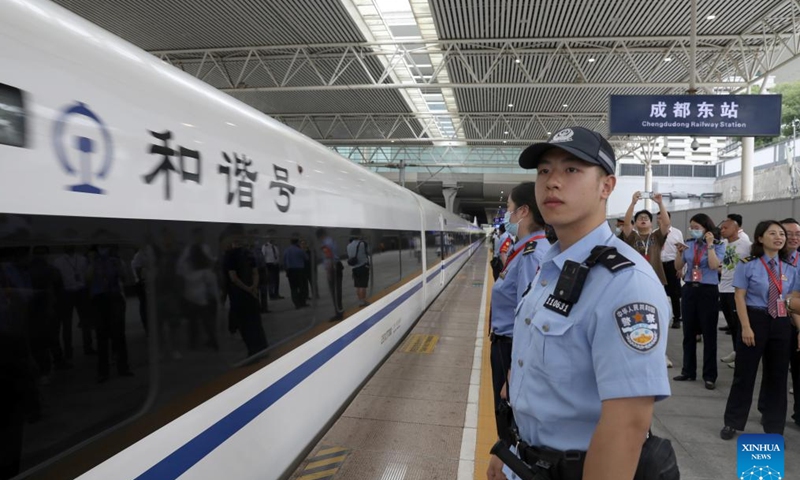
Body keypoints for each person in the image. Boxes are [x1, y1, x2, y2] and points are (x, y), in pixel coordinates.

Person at [487, 127, 672, 480]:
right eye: (544, 171)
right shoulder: (552, 267)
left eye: (571, 170)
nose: (552, 182)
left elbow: (628, 425)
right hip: (525, 462)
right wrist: (509, 447)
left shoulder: (626, 283)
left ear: (607, 186)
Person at [721, 220, 800, 440]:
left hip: (781, 322)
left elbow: (792, 300)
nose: (779, 237)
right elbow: (739, 296)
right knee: (744, 375)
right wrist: (745, 327)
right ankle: (733, 422)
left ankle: (775, 429)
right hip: (755, 318)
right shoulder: (748, 264)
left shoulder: (791, 268)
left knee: (778, 377)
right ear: (759, 238)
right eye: (773, 233)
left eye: (781, 234)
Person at [488, 182, 550, 440]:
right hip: (507, 347)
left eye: (509, 209)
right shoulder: (522, 250)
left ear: (523, 212)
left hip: (510, 349)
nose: (508, 215)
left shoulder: (531, 255)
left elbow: (530, 317)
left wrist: (514, 371)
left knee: (509, 424)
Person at [673, 213, 724, 390]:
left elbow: (713, 266)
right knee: (689, 333)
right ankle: (688, 370)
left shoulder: (718, 245)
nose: (693, 230)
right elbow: (678, 267)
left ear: (706, 229)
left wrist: (710, 245)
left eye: (697, 228)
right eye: (692, 227)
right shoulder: (689, 244)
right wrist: (679, 253)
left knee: (709, 334)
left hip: (707, 290)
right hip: (689, 289)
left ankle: (710, 375)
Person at [717, 218, 752, 366]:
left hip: (736, 290)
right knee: (731, 324)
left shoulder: (746, 245)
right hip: (723, 287)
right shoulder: (722, 245)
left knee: (739, 324)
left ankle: (742, 356)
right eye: (721, 228)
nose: (722, 230)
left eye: (725, 228)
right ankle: (735, 351)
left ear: (736, 229)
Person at [620, 192, 671, 286]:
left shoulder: (656, 236)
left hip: (655, 276)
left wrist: (660, 203)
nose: (643, 219)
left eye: (646, 218)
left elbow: (666, 223)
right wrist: (633, 203)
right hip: (636, 276)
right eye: (640, 218)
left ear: (651, 223)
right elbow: (626, 224)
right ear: (635, 223)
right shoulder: (632, 236)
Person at [659, 213, 684, 329]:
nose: (660, 220)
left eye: (662, 217)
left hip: (672, 264)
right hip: (659, 265)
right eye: (658, 218)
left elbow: (681, 250)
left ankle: (677, 318)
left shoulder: (677, 233)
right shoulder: (655, 233)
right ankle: (661, 318)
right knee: (660, 293)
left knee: (674, 293)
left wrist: (680, 268)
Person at [346, 230, 370, 307]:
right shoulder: (362, 244)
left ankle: (360, 301)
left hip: (355, 268)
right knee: (363, 286)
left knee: (358, 286)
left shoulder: (348, 246)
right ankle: (363, 302)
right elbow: (369, 252)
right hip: (363, 267)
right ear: (359, 235)